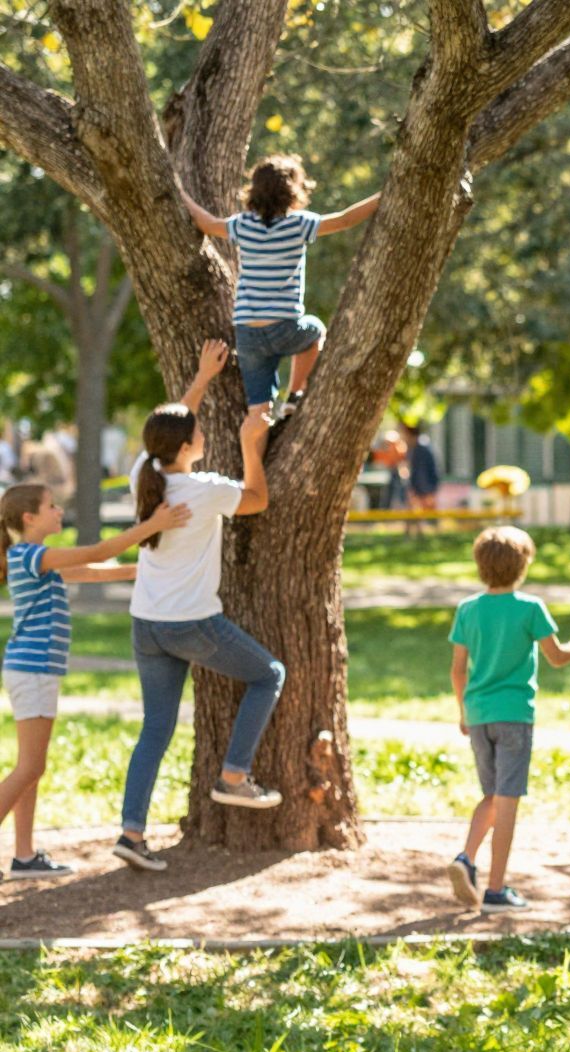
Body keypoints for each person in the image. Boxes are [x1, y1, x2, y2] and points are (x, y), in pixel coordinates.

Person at [114, 342, 282, 872]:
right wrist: (250, 445)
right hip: (191, 624)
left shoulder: (147, 470)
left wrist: (202, 378)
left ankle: (131, 834)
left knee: (155, 730)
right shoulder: (205, 489)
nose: (204, 432)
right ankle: (234, 775)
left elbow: (173, 425)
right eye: (199, 431)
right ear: (187, 445)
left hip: (147, 625)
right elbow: (257, 500)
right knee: (269, 674)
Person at [0, 482, 190, 879]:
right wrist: (151, 525)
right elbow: (97, 552)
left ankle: (24, 856)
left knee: (30, 768)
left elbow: (87, 570)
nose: (58, 511)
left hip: (37, 671)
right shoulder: (30, 554)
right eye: (51, 506)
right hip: (32, 671)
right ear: (29, 518)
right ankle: (21, 854)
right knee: (30, 768)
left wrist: (144, 570)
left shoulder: (35, 558)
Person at [180, 155, 381, 423]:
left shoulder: (243, 225)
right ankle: (294, 394)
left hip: (247, 332)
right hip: (285, 326)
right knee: (315, 331)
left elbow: (206, 223)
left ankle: (253, 460)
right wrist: (382, 195)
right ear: (293, 190)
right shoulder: (298, 223)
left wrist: (180, 192)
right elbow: (344, 220)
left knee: (258, 411)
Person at [447, 526, 570, 911]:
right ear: (523, 565)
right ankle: (496, 889)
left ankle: (465, 858)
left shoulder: (468, 609)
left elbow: (458, 670)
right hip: (515, 716)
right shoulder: (530, 608)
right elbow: (556, 656)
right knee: (507, 802)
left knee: (491, 796)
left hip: (479, 715)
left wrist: (463, 712)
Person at [400, 421, 440, 513]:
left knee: (426, 519)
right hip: (421, 491)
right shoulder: (414, 448)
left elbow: (422, 473)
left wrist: (423, 493)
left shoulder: (421, 448)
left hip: (424, 492)